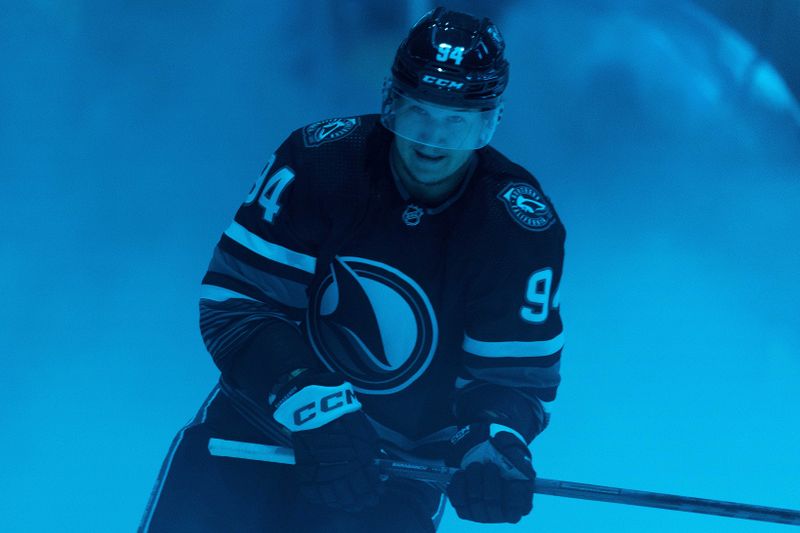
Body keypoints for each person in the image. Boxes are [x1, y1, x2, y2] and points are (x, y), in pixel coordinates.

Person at [139, 7, 565, 532]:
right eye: (418, 113)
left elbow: (513, 380)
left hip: (395, 474)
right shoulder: (319, 162)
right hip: (254, 436)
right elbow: (237, 306)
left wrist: (494, 443)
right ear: (391, 100)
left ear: (488, 122)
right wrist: (310, 399)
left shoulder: (517, 227)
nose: (432, 140)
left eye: (456, 121)